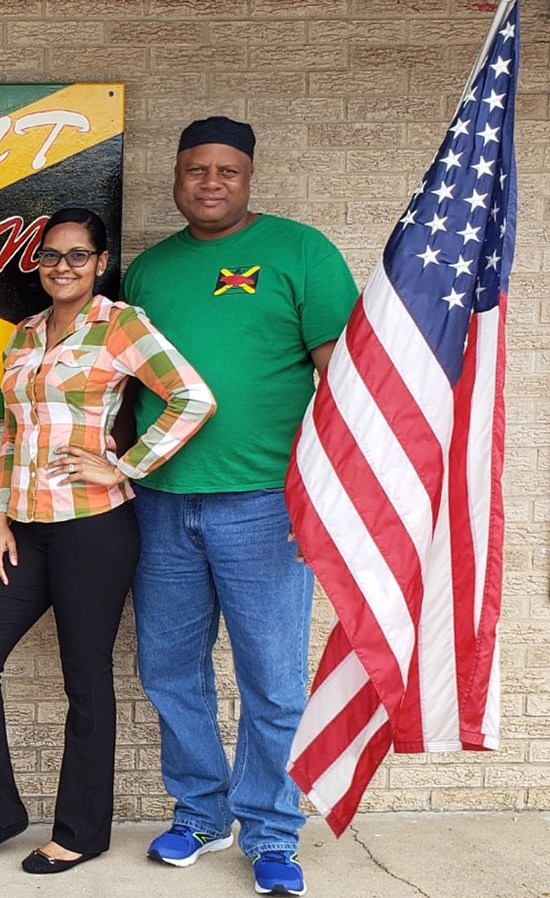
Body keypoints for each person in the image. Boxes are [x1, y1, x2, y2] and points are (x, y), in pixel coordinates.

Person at [124, 117, 358, 898]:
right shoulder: (149, 272)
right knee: (167, 669)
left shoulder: (301, 252)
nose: (211, 182)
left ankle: (269, 831)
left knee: (274, 680)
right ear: (177, 177)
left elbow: (346, 379)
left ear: (249, 176)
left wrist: (329, 494)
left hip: (266, 505)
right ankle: (200, 812)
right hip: (161, 505)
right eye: (196, 169)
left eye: (226, 170)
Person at [0, 208, 215, 875]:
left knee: (84, 679)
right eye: (50, 256)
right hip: (27, 531)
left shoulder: (120, 325)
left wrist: (124, 464)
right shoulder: (24, 334)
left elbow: (193, 398)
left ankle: (82, 831)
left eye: (77, 255)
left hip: (95, 527)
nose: (61, 266)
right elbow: (14, 436)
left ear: (99, 262)